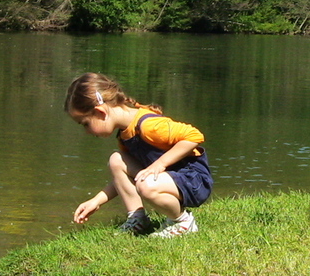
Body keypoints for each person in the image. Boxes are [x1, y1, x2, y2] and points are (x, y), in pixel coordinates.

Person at [66, 72, 212, 237]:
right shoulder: (125, 133)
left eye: (85, 123)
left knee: (146, 184)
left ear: (100, 112)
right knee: (117, 160)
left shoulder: (149, 126)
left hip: (193, 180)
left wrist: (159, 164)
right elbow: (124, 179)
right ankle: (138, 219)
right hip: (167, 179)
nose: (86, 131)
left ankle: (183, 222)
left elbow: (194, 136)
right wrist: (96, 201)